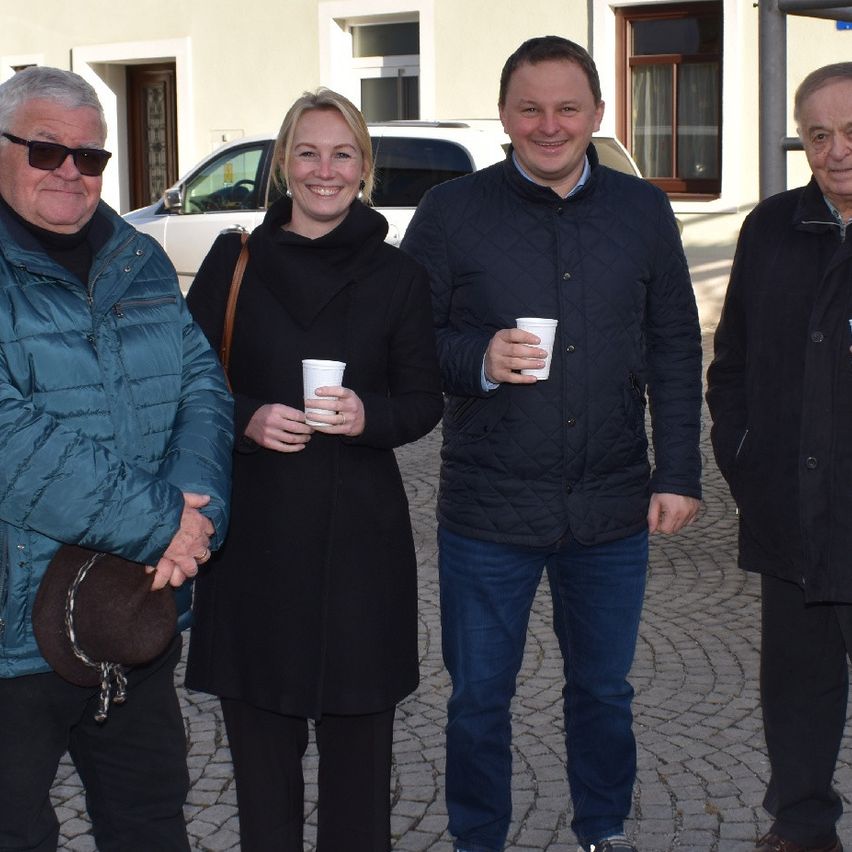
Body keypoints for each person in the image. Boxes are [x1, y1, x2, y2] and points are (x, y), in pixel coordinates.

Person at [401, 35, 703, 852]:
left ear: (598, 114)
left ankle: (603, 830)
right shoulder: (451, 213)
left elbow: (676, 343)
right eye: (530, 107)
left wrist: (678, 471)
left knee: (603, 691)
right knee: (476, 699)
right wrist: (478, 358)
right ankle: (477, 838)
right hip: (487, 507)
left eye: (568, 107)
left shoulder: (642, 210)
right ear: (504, 115)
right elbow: (408, 340)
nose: (549, 124)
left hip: (609, 504)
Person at [183, 87, 444, 851]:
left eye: (341, 154)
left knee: (360, 780)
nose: (323, 170)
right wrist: (247, 418)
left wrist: (370, 417)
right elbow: (184, 387)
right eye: (307, 152)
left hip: (360, 551)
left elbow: (423, 400)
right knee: (263, 779)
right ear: (282, 166)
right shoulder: (234, 263)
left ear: (364, 168)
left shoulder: (399, 277)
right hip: (254, 549)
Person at [0, 66, 233, 852]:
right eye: (45, 150)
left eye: (91, 157)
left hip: (131, 615)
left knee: (149, 822)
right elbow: (10, 439)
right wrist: (161, 522)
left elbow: (202, 384)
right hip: (9, 635)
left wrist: (198, 505)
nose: (71, 171)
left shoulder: (136, 257)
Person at [706, 62, 852, 852]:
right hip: (790, 511)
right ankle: (800, 830)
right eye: (819, 135)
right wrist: (745, 461)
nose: (836, 151)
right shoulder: (771, 226)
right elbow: (731, 364)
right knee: (797, 689)